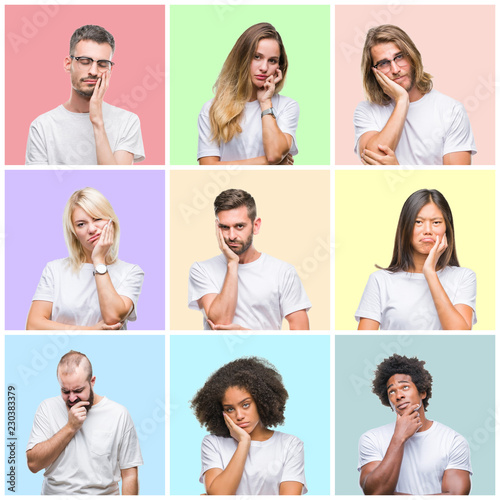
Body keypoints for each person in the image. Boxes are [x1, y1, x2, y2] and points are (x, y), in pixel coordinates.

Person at [188, 188, 311, 330]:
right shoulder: (202, 269)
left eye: (239, 226)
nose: (231, 236)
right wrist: (232, 264)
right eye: (224, 227)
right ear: (217, 227)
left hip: (265, 353)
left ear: (255, 226)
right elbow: (220, 322)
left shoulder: (283, 271)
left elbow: (301, 336)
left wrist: (247, 335)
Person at [354, 24, 476, 165]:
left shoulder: (452, 110)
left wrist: (398, 172)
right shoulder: (366, 110)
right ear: (374, 72)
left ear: (412, 56)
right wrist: (402, 101)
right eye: (383, 63)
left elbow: (456, 181)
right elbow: (375, 161)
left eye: (399, 57)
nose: (395, 69)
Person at [356, 189, 476, 330]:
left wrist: (430, 272)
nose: (427, 230)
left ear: (447, 229)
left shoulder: (463, 277)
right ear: (405, 227)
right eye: (418, 222)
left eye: (436, 222)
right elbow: (364, 343)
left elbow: (461, 337)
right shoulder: (380, 280)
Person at [26, 187, 144, 330]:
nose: (92, 229)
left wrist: (99, 261)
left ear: (111, 221)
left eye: (97, 219)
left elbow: (113, 317)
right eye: (81, 224)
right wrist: (91, 330)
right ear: (74, 232)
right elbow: (33, 325)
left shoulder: (131, 272)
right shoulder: (54, 269)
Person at [25, 25, 145, 165]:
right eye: (84, 61)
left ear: (110, 70)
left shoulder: (128, 122)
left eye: (102, 64)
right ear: (68, 64)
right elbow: (39, 184)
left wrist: (97, 122)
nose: (93, 71)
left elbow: (116, 181)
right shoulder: (42, 126)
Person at [26, 350, 143, 494]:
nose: (72, 398)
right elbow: (33, 464)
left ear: (92, 382)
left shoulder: (119, 414)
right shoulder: (47, 408)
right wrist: (70, 427)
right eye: (65, 391)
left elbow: (130, 475)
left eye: (78, 390)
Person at [358, 354, 472, 495]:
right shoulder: (371, 439)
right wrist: (399, 437)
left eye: (405, 387)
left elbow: (456, 496)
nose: (398, 395)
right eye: (391, 391)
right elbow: (374, 492)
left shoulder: (453, 441)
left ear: (422, 392)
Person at [191, 357, 307, 495]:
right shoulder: (213, 443)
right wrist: (244, 443)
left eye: (245, 405)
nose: (239, 416)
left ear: (261, 401)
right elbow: (219, 495)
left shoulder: (290, 445)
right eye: (229, 409)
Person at [197, 23, 298, 165]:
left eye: (272, 61)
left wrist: (265, 102)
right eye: (257, 57)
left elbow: (274, 154)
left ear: (278, 68)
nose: (264, 68)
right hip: (231, 186)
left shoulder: (287, 106)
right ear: (242, 58)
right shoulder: (211, 109)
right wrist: (266, 162)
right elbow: (208, 167)